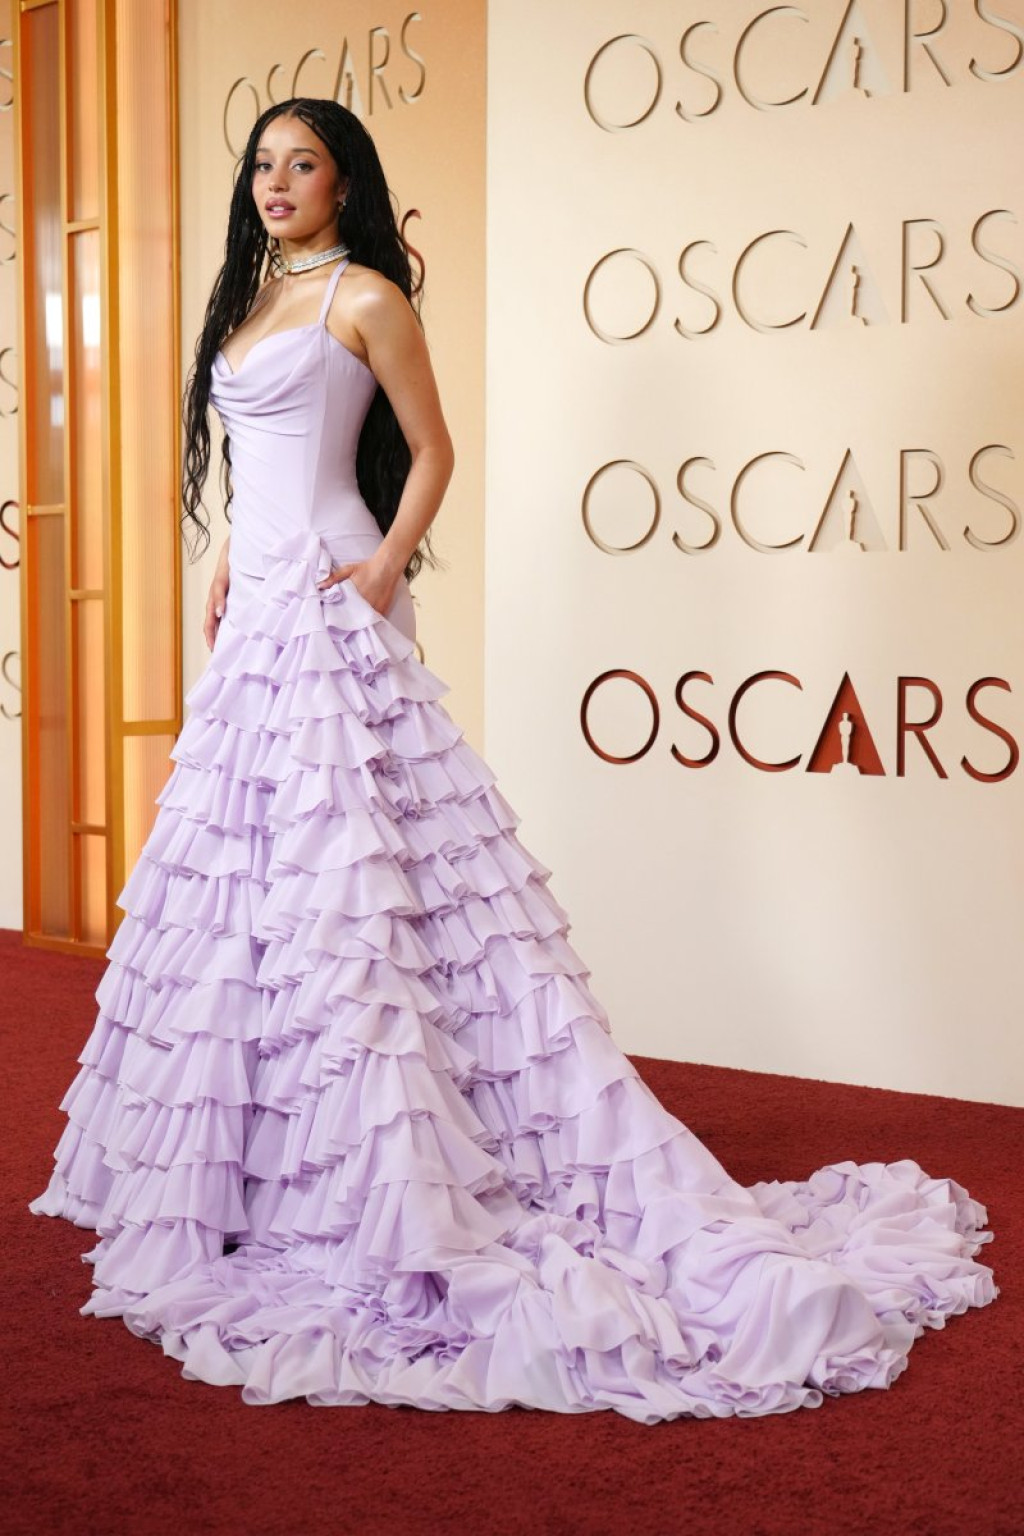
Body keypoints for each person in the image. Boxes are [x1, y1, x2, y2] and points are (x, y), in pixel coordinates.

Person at [29, 97, 998, 1424]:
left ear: (346, 182)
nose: (277, 182)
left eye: (303, 163)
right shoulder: (254, 302)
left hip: (332, 597)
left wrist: (382, 570)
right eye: (262, 164)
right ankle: (268, 1171)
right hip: (255, 605)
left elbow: (431, 451)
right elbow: (262, 464)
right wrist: (223, 557)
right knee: (259, 875)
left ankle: (398, 1167)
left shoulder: (367, 296)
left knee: (359, 879)